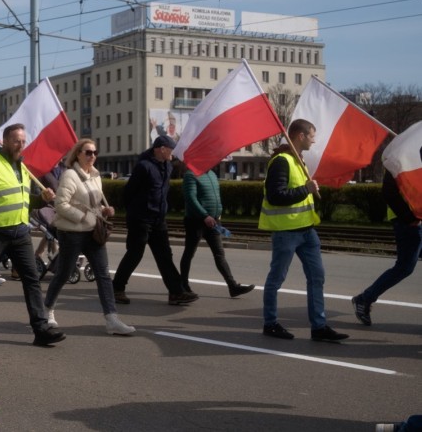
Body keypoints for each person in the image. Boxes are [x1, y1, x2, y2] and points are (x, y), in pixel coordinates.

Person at [0, 123, 66, 347]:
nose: (21, 145)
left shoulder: (22, 165)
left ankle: (41, 330)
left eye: (23, 141)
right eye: (16, 141)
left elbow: (21, 200)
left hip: (20, 232)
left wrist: (43, 199)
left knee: (32, 280)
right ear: (5, 141)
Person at [260, 119, 348, 342]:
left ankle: (319, 327)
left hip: (307, 230)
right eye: (311, 135)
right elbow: (275, 196)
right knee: (276, 279)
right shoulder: (282, 161)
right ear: (300, 136)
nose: (314, 140)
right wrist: (305, 189)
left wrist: (306, 189)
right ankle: (270, 324)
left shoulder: (299, 161)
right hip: (287, 232)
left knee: (317, 277)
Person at [44, 139, 136, 336]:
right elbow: (61, 205)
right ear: (78, 154)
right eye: (88, 152)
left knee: (103, 275)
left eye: (95, 152)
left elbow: (92, 205)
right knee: (64, 274)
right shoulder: (69, 175)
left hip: (93, 233)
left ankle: (112, 319)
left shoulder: (95, 176)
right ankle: (47, 311)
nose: (92, 156)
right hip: (71, 233)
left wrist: (104, 210)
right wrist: (84, 218)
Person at [111, 135, 198, 306]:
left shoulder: (167, 166)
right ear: (162, 149)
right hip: (141, 219)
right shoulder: (144, 166)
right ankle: (116, 289)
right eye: (171, 149)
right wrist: (136, 212)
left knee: (165, 255)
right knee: (135, 254)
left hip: (158, 220)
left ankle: (176, 293)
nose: (173, 153)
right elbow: (128, 193)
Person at [351, 169, 421, 326]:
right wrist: (409, 217)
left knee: (405, 267)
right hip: (410, 221)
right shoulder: (401, 154)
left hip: (415, 218)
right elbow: (389, 191)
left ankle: (364, 299)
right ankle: (364, 299)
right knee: (405, 267)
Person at [179, 168, 254, 298]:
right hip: (195, 221)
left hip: (213, 222)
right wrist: (204, 216)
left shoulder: (212, 174)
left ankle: (233, 286)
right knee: (189, 253)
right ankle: (183, 286)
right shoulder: (190, 174)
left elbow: (215, 195)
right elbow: (190, 198)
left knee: (219, 254)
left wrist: (218, 213)